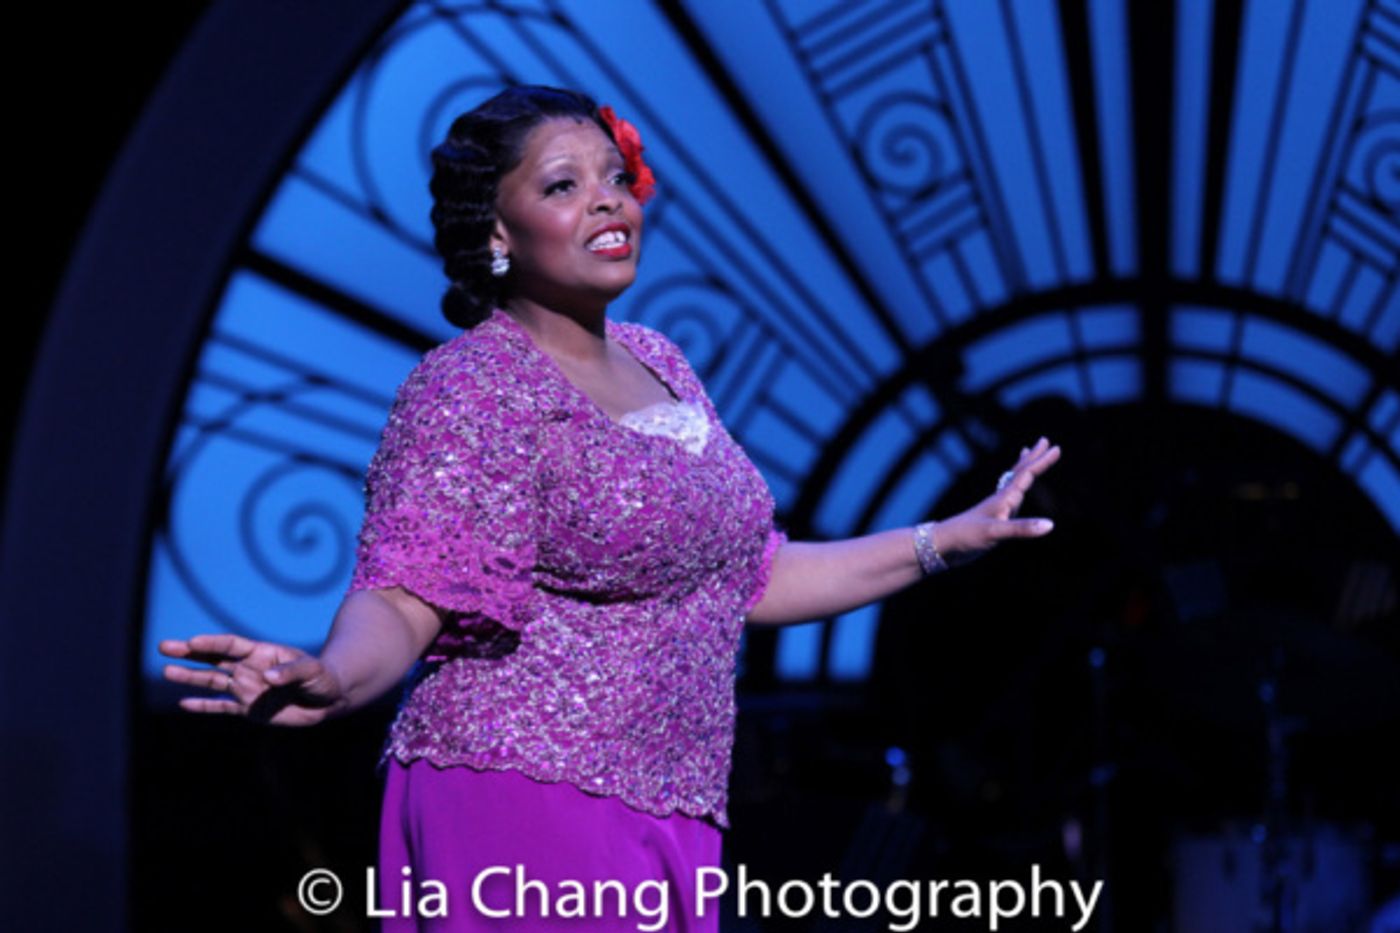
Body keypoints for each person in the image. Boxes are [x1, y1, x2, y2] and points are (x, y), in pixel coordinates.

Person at [159, 85, 1062, 932]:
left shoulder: (661, 360)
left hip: (676, 809)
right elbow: (406, 589)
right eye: (564, 185)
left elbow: (749, 574)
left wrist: (945, 539)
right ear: (497, 233)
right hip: (523, 791)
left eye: (616, 180)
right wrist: (338, 678)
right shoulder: (474, 384)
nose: (607, 203)